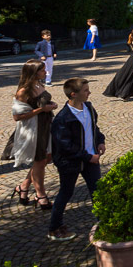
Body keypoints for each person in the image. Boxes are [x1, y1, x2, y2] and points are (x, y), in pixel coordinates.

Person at [48, 77, 106, 241]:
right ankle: (54, 227)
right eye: (86, 91)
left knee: (98, 191)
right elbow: (65, 146)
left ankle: (104, 223)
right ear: (73, 94)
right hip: (71, 162)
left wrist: (100, 141)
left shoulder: (88, 107)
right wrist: (88, 156)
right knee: (66, 193)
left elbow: (94, 128)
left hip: (90, 159)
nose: (89, 93)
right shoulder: (62, 119)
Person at [11, 59, 57, 209]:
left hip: (45, 125)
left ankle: (23, 187)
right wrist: (41, 110)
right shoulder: (24, 91)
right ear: (34, 72)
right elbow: (17, 117)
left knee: (45, 159)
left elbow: (42, 103)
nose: (46, 72)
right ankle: (40, 194)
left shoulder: (39, 85)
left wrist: (51, 106)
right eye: (42, 70)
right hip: (33, 129)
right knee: (40, 161)